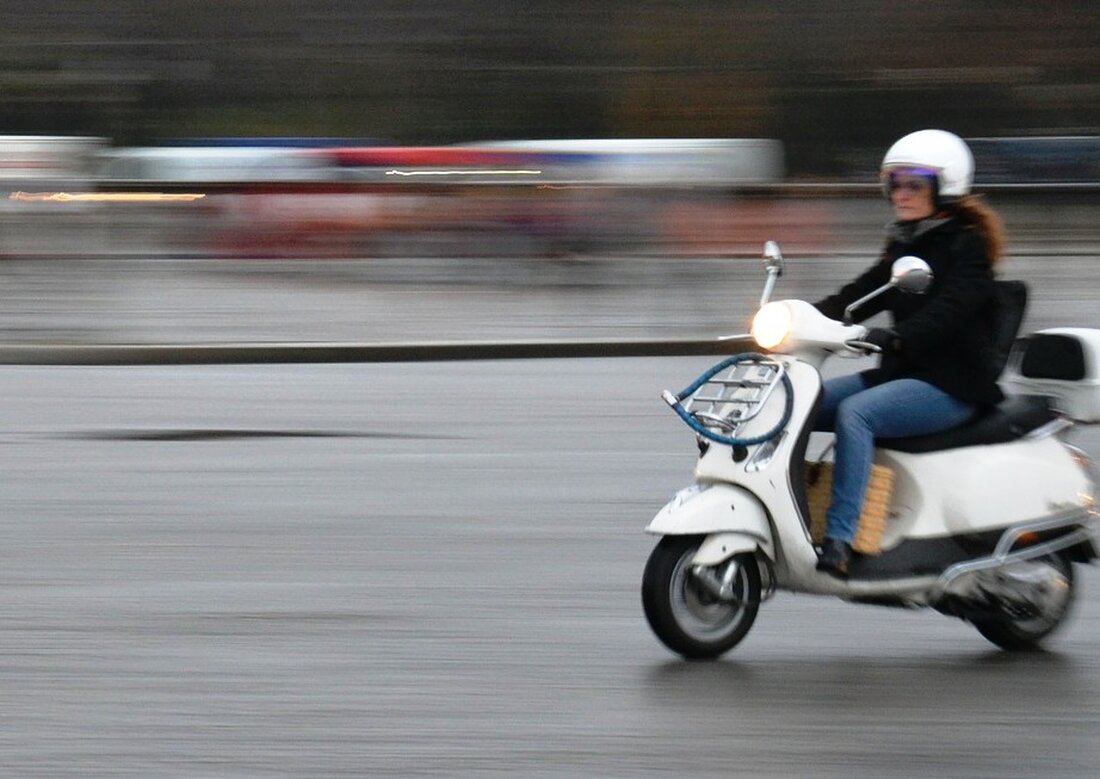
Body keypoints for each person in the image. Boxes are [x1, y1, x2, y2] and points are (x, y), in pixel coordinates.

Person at [812, 129, 1007, 578]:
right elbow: (857, 295)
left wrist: (898, 338)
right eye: (894, 183)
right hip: (902, 376)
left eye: (914, 183)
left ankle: (841, 538)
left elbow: (950, 309)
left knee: (857, 415)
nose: (900, 192)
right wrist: (796, 317)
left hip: (950, 384)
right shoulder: (906, 244)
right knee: (797, 403)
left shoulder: (967, 248)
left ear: (945, 187)